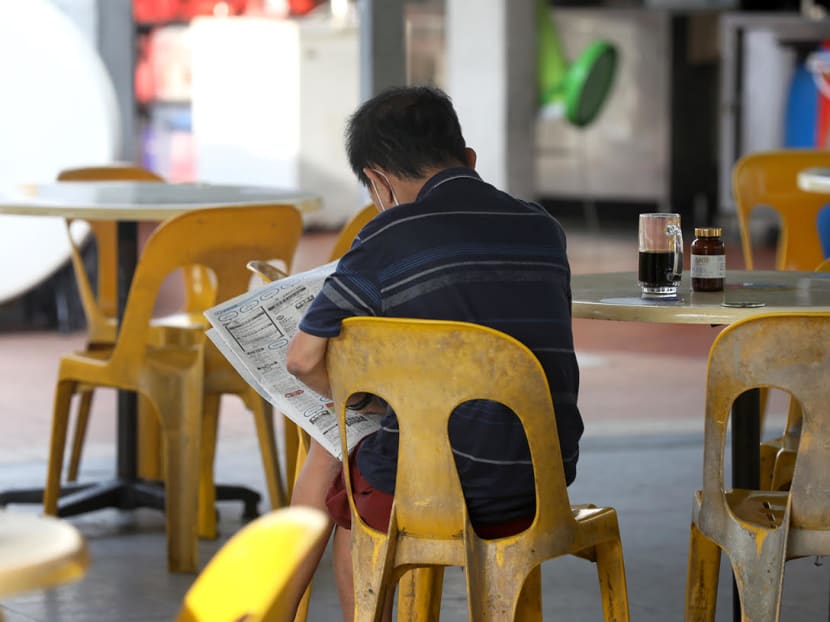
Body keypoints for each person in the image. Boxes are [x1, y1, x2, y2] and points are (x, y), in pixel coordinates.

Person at [284, 85, 583, 621]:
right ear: (468, 158)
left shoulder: (388, 235)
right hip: (540, 482)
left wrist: (365, 402)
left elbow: (302, 360)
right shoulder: (543, 227)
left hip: (426, 490)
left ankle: (278, 608)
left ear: (377, 180)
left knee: (339, 464)